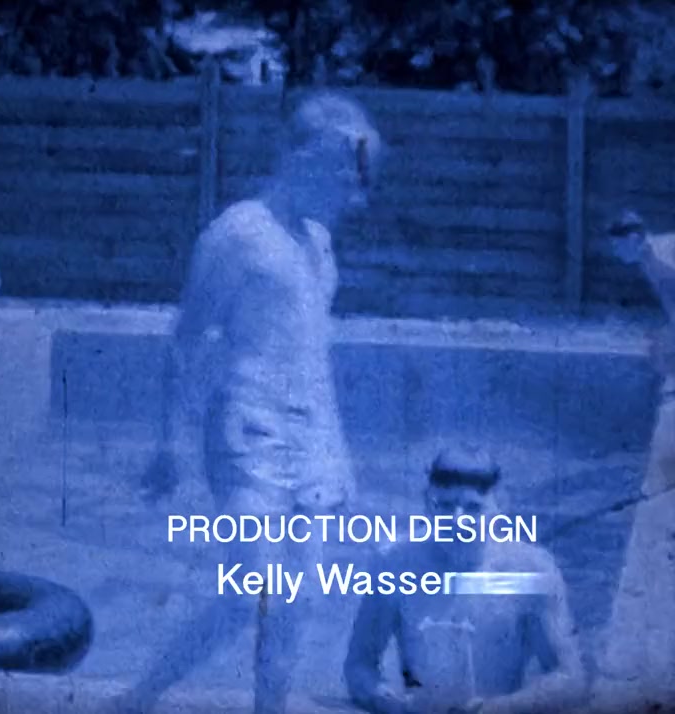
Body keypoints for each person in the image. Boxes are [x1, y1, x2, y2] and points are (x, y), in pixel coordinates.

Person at [110, 93, 379, 714]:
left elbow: (312, 355)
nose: (349, 193)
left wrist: (338, 455)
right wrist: (168, 442)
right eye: (341, 174)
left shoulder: (318, 244)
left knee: (299, 599)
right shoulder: (238, 234)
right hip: (246, 431)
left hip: (311, 441)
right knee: (251, 590)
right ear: (303, 159)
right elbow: (187, 339)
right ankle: (139, 699)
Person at [344, 447, 587, 714]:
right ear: (427, 503)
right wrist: (391, 702)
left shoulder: (532, 569)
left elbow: (570, 677)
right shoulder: (393, 563)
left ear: (500, 506)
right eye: (445, 506)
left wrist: (500, 708)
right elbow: (359, 666)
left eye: (473, 508)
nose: (457, 521)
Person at [596, 211, 675, 701]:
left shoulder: (661, 257)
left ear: (635, 237)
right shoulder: (654, 258)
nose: (618, 255)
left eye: (621, 244)